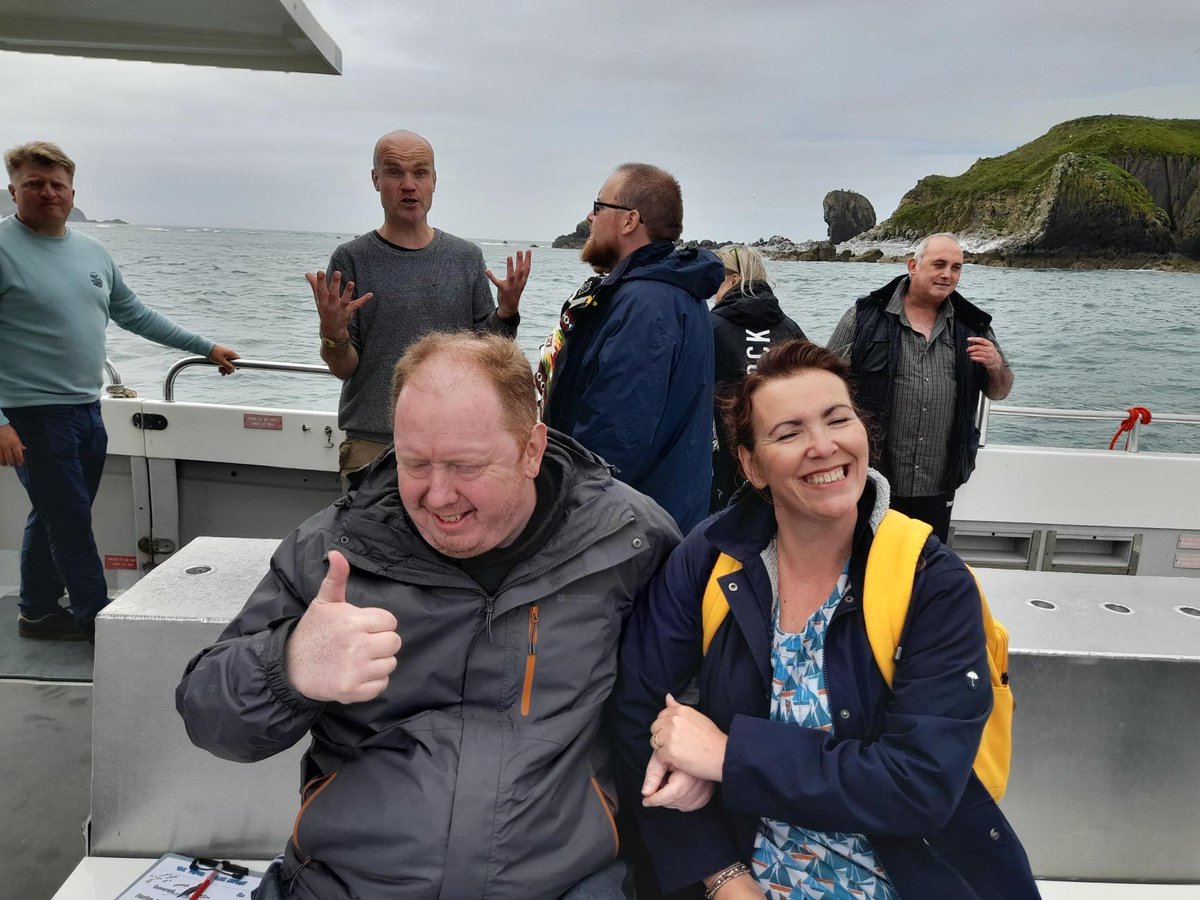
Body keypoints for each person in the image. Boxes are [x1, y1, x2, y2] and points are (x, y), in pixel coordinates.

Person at [176, 332, 681, 899]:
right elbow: (209, 718)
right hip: (348, 885)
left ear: (532, 450)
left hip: (564, 884)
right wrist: (289, 665)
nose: (438, 496)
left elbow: (694, 691)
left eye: (466, 467)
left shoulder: (629, 541)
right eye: (415, 464)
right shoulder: (334, 548)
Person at [613, 339, 1038, 899]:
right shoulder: (710, 558)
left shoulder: (930, 581)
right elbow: (638, 715)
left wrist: (726, 756)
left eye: (837, 419)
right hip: (740, 875)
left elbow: (921, 784)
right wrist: (721, 876)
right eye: (788, 433)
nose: (823, 446)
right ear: (751, 465)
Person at [1, 141, 240, 642]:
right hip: (31, 414)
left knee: (57, 512)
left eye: (56, 185)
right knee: (66, 520)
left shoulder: (93, 252)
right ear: (12, 190)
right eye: (33, 184)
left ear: (72, 192)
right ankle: (97, 620)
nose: (47, 193)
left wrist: (205, 347)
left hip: (88, 409)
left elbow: (134, 314)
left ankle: (38, 610)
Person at [306, 129, 532, 484]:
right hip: (374, 443)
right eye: (395, 172)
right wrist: (332, 332)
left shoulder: (465, 257)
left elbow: (486, 355)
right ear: (376, 180)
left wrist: (506, 312)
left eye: (420, 172)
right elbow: (344, 368)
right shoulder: (351, 259)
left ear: (434, 181)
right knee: (370, 540)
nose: (409, 185)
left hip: (455, 440)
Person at [542, 163, 723, 534]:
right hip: (655, 518)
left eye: (599, 206)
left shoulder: (647, 303)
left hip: (627, 534)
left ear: (629, 221)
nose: (590, 216)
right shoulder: (670, 291)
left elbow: (614, 437)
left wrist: (564, 517)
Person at [827, 233, 1012, 541]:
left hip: (939, 481)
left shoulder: (973, 325)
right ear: (913, 265)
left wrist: (995, 365)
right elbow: (825, 381)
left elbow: (1000, 391)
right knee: (868, 563)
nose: (947, 274)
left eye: (956, 267)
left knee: (926, 568)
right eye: (939, 264)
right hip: (872, 475)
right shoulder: (864, 317)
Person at [709, 245, 806, 513]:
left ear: (734, 279)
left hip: (724, 459)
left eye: (716, 277)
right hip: (781, 452)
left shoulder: (709, 327)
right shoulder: (789, 327)